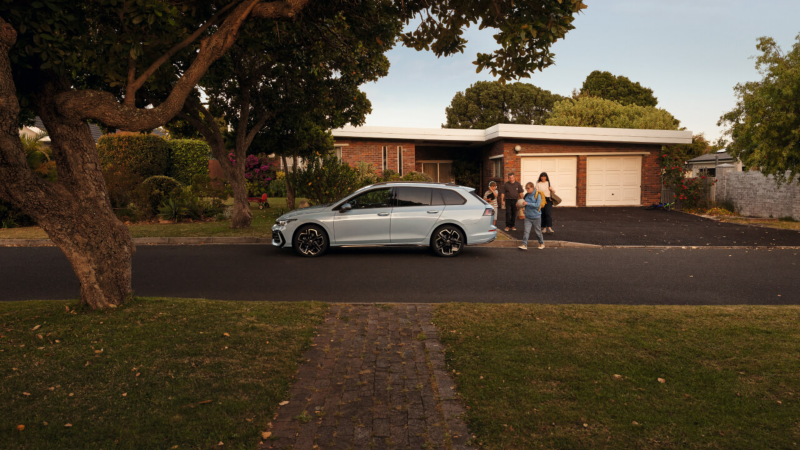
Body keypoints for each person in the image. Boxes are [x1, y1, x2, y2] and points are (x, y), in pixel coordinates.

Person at [519, 182, 545, 250]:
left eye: (528, 188)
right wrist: (520, 204)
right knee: (526, 231)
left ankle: (541, 243)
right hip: (528, 217)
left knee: (538, 232)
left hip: (536, 216)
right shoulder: (526, 195)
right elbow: (524, 203)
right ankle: (524, 244)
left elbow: (537, 205)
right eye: (526, 189)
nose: (527, 190)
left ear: (532, 188)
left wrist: (528, 203)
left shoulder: (537, 195)